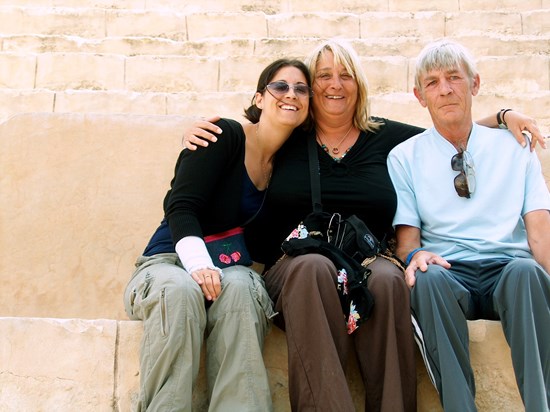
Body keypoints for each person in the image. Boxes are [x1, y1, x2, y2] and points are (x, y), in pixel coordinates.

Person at [182, 39, 545, 412]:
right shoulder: (291, 135)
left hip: (369, 262)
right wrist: (193, 131)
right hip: (296, 265)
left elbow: (446, 124)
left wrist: (502, 117)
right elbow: (250, 135)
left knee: (389, 281)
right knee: (313, 268)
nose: (335, 84)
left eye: (345, 75)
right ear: (311, 87)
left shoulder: (387, 138)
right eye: (323, 76)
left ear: (359, 84)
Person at [123, 58, 313, 411]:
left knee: (242, 290)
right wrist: (197, 265)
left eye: (302, 89)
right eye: (281, 86)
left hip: (231, 269)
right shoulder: (223, 134)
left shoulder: (293, 166)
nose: (291, 94)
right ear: (259, 98)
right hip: (170, 261)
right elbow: (180, 206)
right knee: (179, 293)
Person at [387, 38, 550, 412]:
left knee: (528, 271)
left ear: (474, 84)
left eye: (454, 78)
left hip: (508, 271)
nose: (444, 90)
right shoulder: (405, 157)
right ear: (419, 95)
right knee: (424, 276)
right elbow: (407, 241)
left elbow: (539, 233)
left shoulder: (516, 147)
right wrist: (416, 254)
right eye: (432, 83)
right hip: (450, 274)